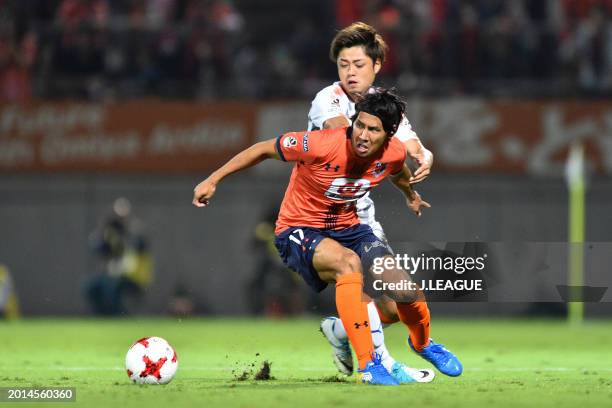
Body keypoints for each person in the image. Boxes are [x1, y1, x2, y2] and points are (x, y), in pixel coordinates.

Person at [193, 89, 457, 385]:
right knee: (348, 264)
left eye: (373, 130)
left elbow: (398, 171)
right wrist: (213, 179)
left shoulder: (393, 152)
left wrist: (410, 195)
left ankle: (419, 343)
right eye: (360, 125)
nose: (363, 136)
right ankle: (369, 366)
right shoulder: (320, 143)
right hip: (299, 230)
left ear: (389, 134)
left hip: (351, 229)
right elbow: (262, 149)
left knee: (403, 295)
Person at [309, 22, 461, 381]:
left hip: (361, 218)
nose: (350, 71)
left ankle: (345, 331)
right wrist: (395, 153)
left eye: (358, 64)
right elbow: (351, 142)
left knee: (397, 302)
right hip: (320, 220)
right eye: (343, 64)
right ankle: (380, 364)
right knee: (355, 281)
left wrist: (424, 156)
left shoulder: (384, 106)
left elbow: (409, 144)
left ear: (376, 66)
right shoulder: (327, 100)